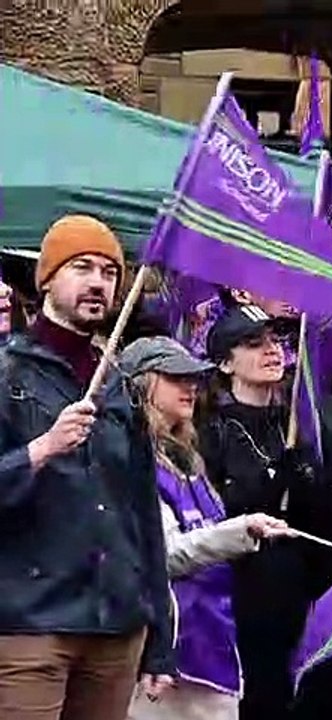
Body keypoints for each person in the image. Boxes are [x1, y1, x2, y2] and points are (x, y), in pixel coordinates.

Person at [0, 215, 174, 719]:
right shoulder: (8, 374)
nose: (98, 282)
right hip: (30, 626)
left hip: (117, 628)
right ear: (47, 279)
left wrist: (159, 632)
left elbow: (142, 512)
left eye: (109, 272)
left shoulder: (117, 383)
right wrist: (41, 449)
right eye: (82, 268)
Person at [117, 336, 289, 720]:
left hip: (215, 638)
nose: (191, 386)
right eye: (175, 377)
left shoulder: (190, 461)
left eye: (193, 377)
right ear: (141, 384)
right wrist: (243, 531)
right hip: (166, 652)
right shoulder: (131, 460)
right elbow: (165, 555)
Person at [198, 304, 332, 720]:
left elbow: (330, 515)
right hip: (243, 597)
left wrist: (307, 483)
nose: (272, 351)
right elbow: (214, 514)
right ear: (225, 362)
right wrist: (269, 485)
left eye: (276, 341)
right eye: (254, 343)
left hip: (302, 591)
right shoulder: (213, 431)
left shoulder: (304, 423)